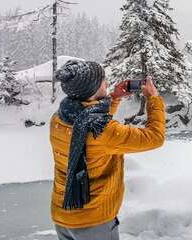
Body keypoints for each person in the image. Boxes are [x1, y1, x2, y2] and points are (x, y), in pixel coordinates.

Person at [50, 59, 165, 240]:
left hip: (64, 215)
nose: (107, 82)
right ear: (93, 89)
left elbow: (88, 118)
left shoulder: (60, 118)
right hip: (93, 221)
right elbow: (154, 138)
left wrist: (113, 98)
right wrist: (153, 99)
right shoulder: (104, 131)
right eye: (103, 80)